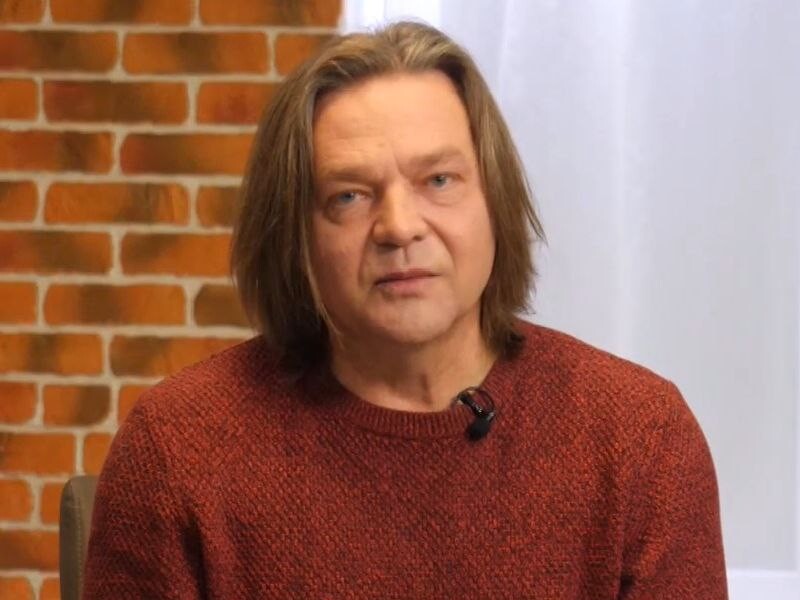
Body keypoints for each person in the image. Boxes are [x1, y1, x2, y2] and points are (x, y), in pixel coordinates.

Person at [83, 21, 728, 599]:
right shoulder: (178, 452)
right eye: (349, 196)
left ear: (495, 201)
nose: (399, 226)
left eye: (438, 181)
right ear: (295, 235)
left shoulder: (640, 439)